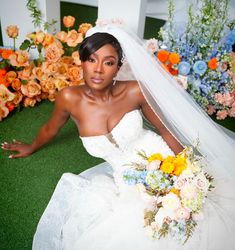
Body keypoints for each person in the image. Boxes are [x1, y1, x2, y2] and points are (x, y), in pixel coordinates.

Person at [2, 23, 235, 250]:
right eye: (91, 60)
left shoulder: (134, 91)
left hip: (166, 161)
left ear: (118, 66)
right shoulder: (69, 98)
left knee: (197, 215)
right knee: (148, 228)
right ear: (81, 61)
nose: (98, 69)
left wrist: (187, 169)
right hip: (128, 180)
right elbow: (50, 128)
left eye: (109, 62)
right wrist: (32, 146)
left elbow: (164, 129)